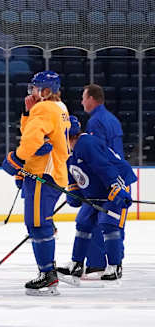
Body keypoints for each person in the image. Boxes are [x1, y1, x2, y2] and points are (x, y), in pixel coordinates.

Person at [2, 71, 71, 296]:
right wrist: (27, 113)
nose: (31, 92)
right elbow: (34, 132)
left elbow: (31, 138)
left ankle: (48, 276)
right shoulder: (60, 108)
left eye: (35, 88)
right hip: (52, 172)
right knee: (39, 223)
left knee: (38, 224)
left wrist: (18, 160)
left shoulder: (44, 108)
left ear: (46, 91)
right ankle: (47, 271)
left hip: (43, 174)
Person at [56, 116, 136, 282]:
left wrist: (117, 188)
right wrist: (74, 192)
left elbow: (104, 167)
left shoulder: (86, 144)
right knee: (83, 222)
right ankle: (77, 264)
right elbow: (73, 175)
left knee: (108, 223)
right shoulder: (67, 150)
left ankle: (114, 266)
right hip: (96, 191)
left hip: (114, 185)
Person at [80, 84, 125, 275]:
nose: (82, 101)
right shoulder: (112, 119)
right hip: (118, 175)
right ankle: (116, 263)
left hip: (104, 180)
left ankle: (97, 262)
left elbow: (96, 154)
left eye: (83, 97)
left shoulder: (96, 122)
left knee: (92, 220)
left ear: (91, 98)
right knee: (113, 222)